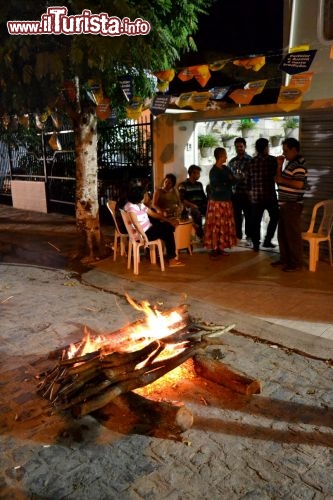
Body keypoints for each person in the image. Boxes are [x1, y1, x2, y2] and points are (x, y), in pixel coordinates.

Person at [124, 186, 185, 267]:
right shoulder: (131, 209)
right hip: (143, 234)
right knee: (168, 230)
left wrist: (168, 220)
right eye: (144, 194)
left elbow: (152, 214)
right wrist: (145, 237)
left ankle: (169, 254)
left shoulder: (138, 204)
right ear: (140, 197)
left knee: (165, 226)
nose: (146, 195)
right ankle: (172, 259)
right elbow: (136, 224)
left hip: (148, 229)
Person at [272, 137, 308, 272]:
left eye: (286, 151)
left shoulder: (299, 165)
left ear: (294, 150)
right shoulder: (290, 164)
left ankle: (296, 263)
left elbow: (299, 184)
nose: (284, 153)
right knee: (282, 234)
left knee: (292, 235)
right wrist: (279, 165)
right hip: (285, 205)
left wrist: (282, 180)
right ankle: (285, 259)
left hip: (292, 205)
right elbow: (278, 180)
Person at [247, 138, 279, 251]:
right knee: (275, 217)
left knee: (256, 221)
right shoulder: (272, 160)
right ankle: (267, 240)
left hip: (256, 197)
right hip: (270, 195)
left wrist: (250, 192)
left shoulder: (251, 161)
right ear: (266, 148)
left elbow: (248, 180)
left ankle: (256, 244)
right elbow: (277, 176)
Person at [204, 147, 237, 258]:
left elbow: (232, 181)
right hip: (217, 202)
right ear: (220, 156)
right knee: (216, 225)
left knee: (223, 225)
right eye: (225, 155)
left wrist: (229, 181)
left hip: (226, 200)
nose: (226, 157)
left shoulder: (226, 168)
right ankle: (214, 248)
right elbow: (215, 186)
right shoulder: (214, 171)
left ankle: (221, 247)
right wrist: (227, 182)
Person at [228, 137, 252, 243]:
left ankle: (249, 236)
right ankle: (238, 235)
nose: (239, 148)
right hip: (236, 193)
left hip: (247, 193)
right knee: (236, 216)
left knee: (249, 215)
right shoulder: (232, 162)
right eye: (237, 147)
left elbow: (252, 177)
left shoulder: (251, 160)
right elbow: (229, 177)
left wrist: (242, 176)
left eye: (241, 146)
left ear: (245, 146)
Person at [178, 165, 207, 239]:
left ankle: (209, 233)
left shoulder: (199, 184)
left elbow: (204, 197)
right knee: (196, 212)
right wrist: (192, 205)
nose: (199, 175)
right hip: (189, 207)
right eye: (197, 173)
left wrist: (209, 204)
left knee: (212, 211)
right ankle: (200, 235)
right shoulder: (183, 185)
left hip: (200, 205)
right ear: (192, 174)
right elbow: (182, 199)